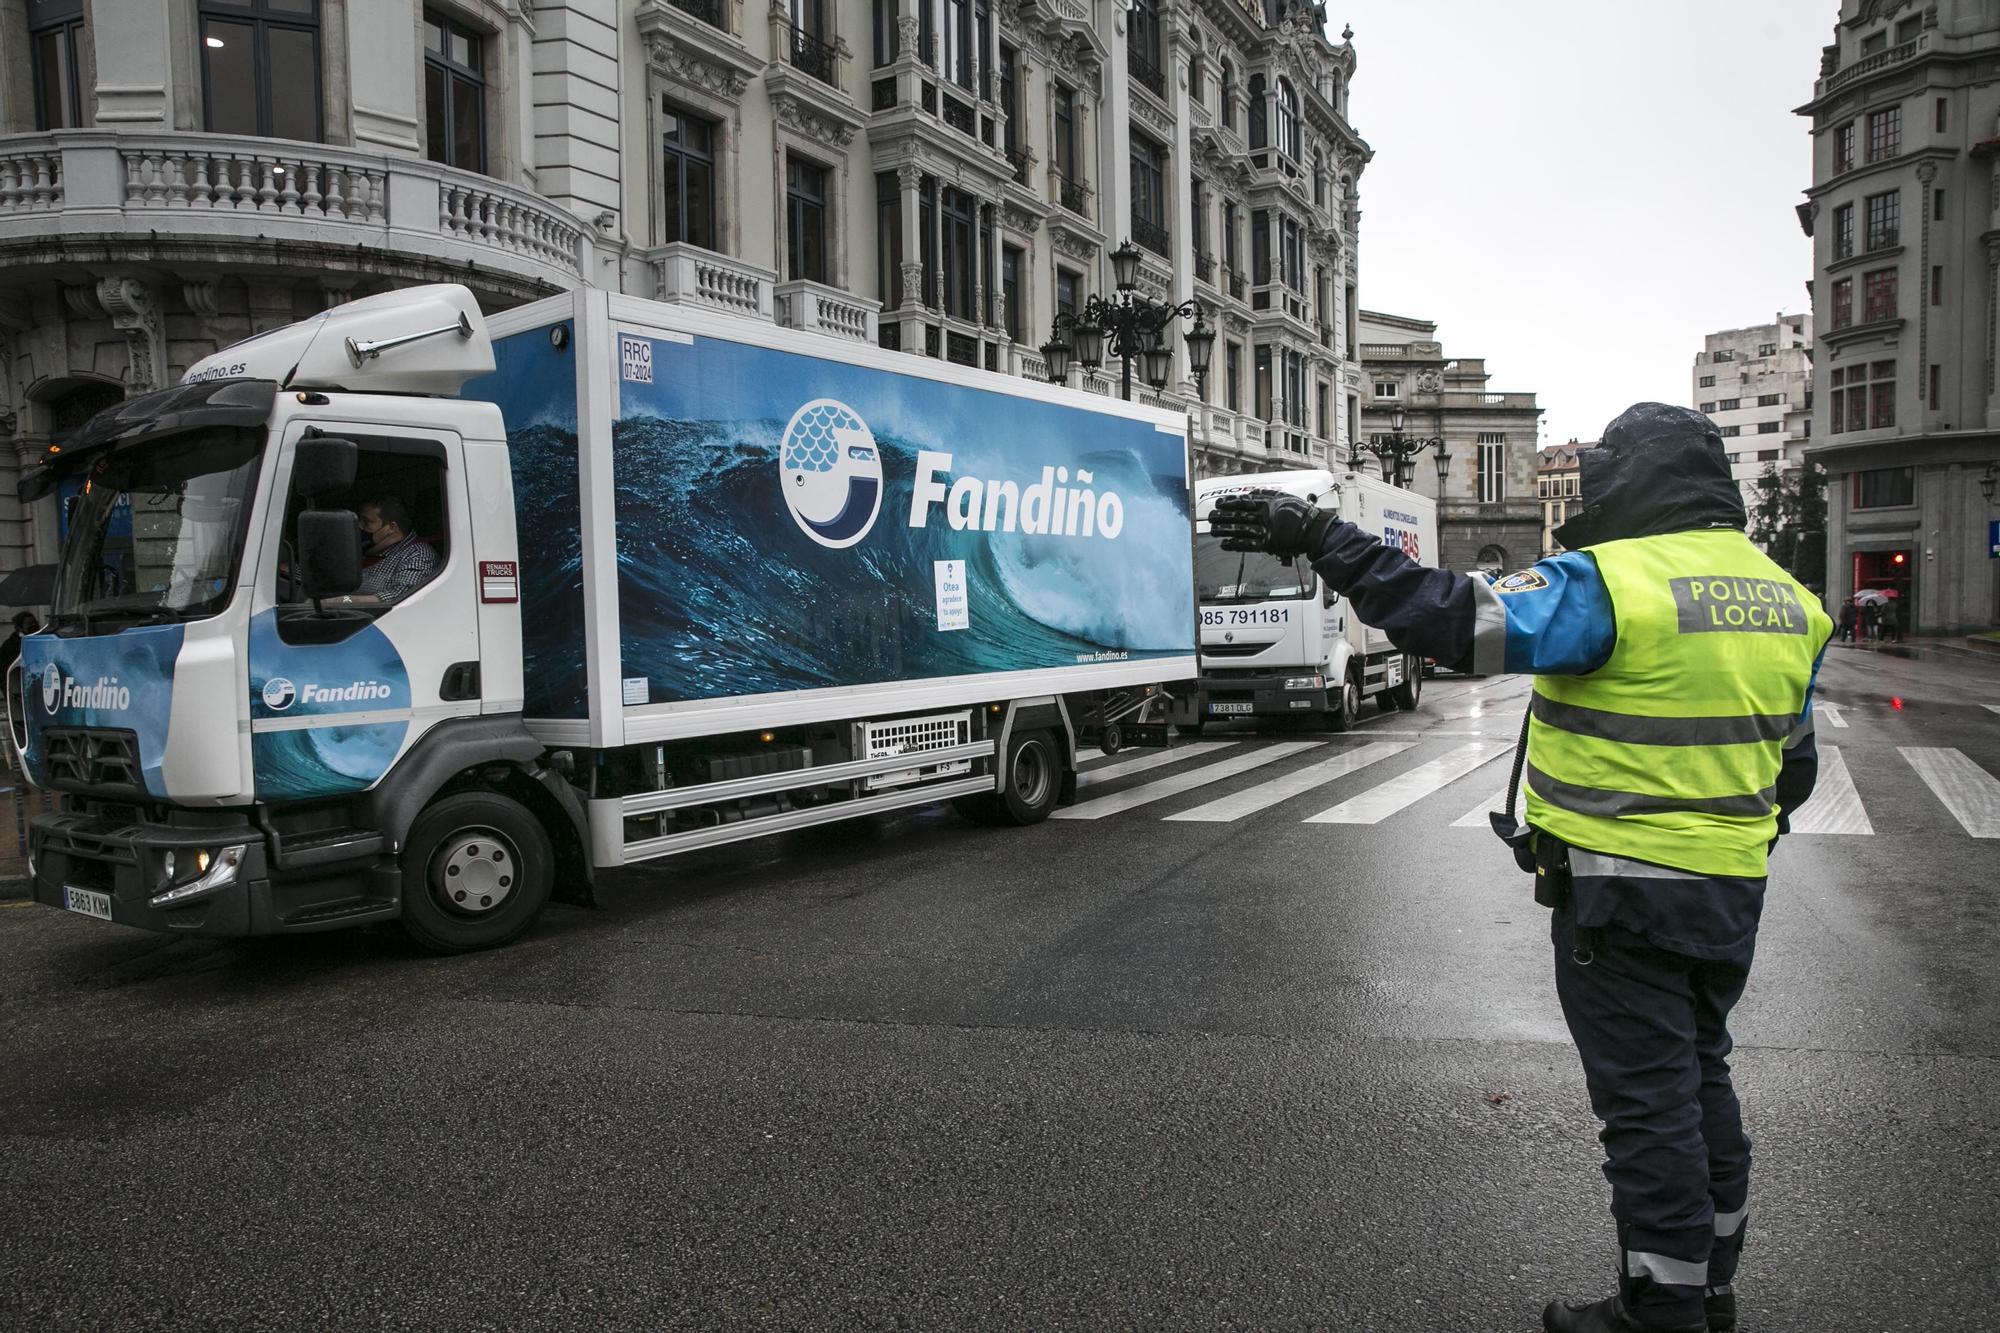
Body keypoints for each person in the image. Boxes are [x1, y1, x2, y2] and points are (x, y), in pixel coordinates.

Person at [1212, 403, 1831, 1333]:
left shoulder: (1619, 581)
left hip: (1621, 892)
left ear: (1633, 482)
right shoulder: (1787, 599)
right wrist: (1729, 837)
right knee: (1701, 1075)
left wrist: (1324, 536)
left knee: (1647, 1104)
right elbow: (1797, 765)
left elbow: (1459, 623)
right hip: (1730, 890)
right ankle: (1711, 1280)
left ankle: (1659, 1307)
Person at [337, 495, 438, 608]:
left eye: (367, 521)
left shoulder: (417, 555)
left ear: (391, 527)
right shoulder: (372, 550)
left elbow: (397, 598)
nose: (360, 526)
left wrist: (338, 601)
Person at [0, 610, 39, 676]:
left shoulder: (37, 640)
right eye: (29, 623)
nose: (33, 625)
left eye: (34, 623)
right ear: (20, 627)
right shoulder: (11, 644)